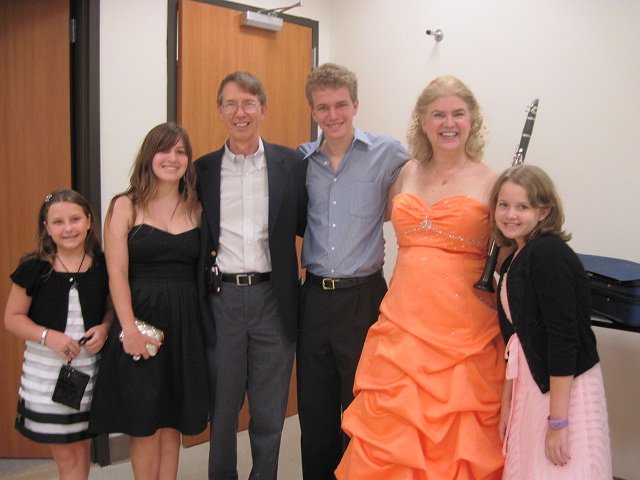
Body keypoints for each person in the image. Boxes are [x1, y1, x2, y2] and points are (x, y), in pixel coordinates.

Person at [335, 75, 506, 479]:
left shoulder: (492, 181)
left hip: (463, 332)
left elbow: (511, 254)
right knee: (392, 435)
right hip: (403, 326)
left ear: (472, 120)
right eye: (439, 114)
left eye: (458, 114)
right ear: (423, 122)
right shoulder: (405, 174)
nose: (449, 123)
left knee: (456, 437)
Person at [297, 62, 410, 479]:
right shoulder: (301, 162)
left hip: (364, 297)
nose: (333, 115)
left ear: (355, 104)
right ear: (313, 111)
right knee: (315, 407)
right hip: (313, 298)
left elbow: (422, 193)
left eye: (340, 104)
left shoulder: (389, 153)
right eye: (323, 107)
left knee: (362, 405)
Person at [195, 71, 307, 480]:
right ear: (220, 111)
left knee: (269, 411)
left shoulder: (291, 164)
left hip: (273, 300)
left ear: (263, 108)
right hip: (222, 299)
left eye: (248, 103)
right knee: (222, 412)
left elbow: (305, 221)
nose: (239, 112)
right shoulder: (202, 170)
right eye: (230, 104)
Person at [89, 122, 208, 480]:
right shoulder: (125, 205)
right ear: (148, 156)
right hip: (140, 321)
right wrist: (128, 330)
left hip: (187, 322)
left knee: (173, 417)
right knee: (143, 420)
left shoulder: (197, 207)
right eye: (164, 150)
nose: (172, 158)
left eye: (180, 151)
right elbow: (117, 275)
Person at [490, 164, 612, 479]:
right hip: (532, 386)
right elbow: (515, 343)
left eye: (522, 206)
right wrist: (508, 405)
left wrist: (558, 423)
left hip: (564, 390)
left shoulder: (548, 254)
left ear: (544, 212)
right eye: (504, 205)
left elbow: (563, 339)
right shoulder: (516, 256)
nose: (510, 214)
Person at [4, 189, 112, 479]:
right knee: (68, 459)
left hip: (87, 377)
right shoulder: (34, 268)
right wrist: (48, 336)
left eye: (75, 219)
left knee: (81, 454)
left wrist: (104, 328)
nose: (68, 228)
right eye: (59, 222)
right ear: (47, 228)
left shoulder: (102, 265)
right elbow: (12, 319)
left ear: (89, 221)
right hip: (47, 379)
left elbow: (111, 310)